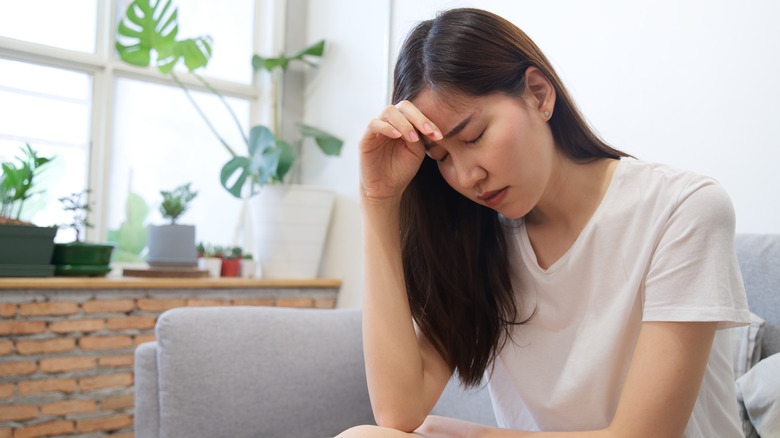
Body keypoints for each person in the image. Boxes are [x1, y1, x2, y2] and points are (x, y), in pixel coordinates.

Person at [337, 8, 750, 438]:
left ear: (538, 94)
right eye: (442, 159)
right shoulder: (478, 240)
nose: (466, 176)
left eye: (474, 137)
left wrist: (464, 434)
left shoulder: (683, 208)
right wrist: (377, 201)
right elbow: (399, 412)